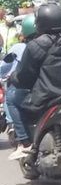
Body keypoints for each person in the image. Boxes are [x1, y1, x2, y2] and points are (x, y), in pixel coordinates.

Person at [9, 3, 61, 159]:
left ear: (40, 23)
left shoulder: (36, 45)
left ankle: (25, 143)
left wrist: (13, 78)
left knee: (13, 100)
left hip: (47, 96)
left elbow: (24, 77)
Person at [1, 16, 35, 159]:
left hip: (28, 87)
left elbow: (5, 66)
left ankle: (24, 141)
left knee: (11, 98)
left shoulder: (21, 47)